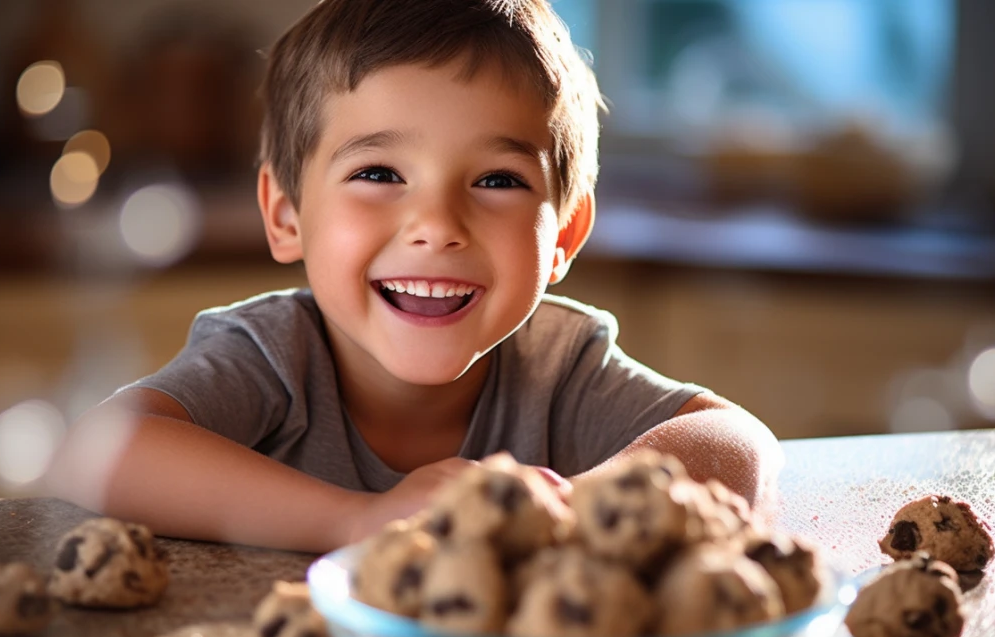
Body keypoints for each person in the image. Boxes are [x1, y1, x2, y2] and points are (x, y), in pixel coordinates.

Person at [48, 0, 782, 554]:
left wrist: (564, 513)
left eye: (496, 179)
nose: (437, 223)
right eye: (378, 172)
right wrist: (359, 520)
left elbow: (737, 440)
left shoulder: (560, 368)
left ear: (563, 234)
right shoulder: (273, 354)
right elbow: (98, 451)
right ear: (286, 215)